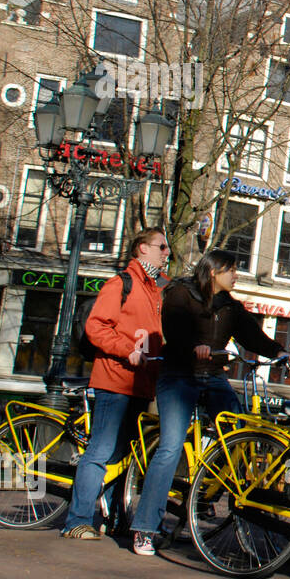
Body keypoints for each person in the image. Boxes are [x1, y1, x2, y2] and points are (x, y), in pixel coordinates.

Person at [131, 249, 284, 556]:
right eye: (233, 270)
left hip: (212, 376)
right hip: (179, 375)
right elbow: (173, 328)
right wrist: (194, 346)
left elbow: (251, 336)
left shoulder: (231, 306)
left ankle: (209, 492)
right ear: (214, 272)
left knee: (239, 436)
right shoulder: (180, 293)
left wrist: (278, 351)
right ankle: (144, 528)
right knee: (171, 446)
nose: (236, 275)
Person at [60, 228, 169, 540]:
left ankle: (114, 517)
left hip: (141, 384)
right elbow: (96, 327)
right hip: (115, 379)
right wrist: (127, 351)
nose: (166, 253)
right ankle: (77, 521)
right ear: (142, 248)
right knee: (101, 450)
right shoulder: (121, 283)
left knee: (123, 455)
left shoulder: (157, 289)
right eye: (161, 247)